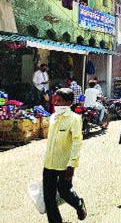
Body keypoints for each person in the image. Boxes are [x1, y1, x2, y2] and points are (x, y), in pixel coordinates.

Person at [43, 88, 86, 223]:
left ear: (68, 102)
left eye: (59, 101)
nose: (56, 103)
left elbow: (77, 143)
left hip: (64, 164)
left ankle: (78, 204)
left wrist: (72, 165)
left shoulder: (74, 119)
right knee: (48, 196)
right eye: (55, 100)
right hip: (49, 163)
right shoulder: (53, 117)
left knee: (64, 191)